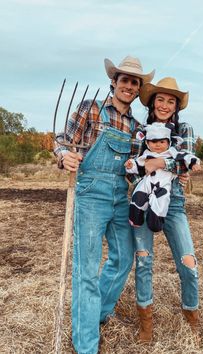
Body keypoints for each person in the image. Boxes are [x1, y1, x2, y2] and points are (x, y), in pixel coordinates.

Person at [54, 56, 155, 354]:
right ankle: (86, 344)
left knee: (123, 258)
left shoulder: (137, 127)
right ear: (114, 81)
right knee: (86, 269)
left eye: (134, 82)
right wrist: (64, 156)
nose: (128, 85)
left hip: (120, 195)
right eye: (124, 79)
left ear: (138, 89)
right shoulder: (91, 108)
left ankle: (92, 313)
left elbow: (138, 166)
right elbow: (63, 139)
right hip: (90, 192)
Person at [129, 77, 201, 343]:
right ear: (151, 102)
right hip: (144, 202)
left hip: (175, 205)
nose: (165, 104)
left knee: (188, 263)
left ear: (176, 106)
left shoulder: (185, 129)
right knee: (144, 261)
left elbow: (187, 164)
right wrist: (145, 181)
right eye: (160, 99)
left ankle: (192, 319)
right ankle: (146, 324)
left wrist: (158, 161)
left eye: (171, 101)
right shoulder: (141, 131)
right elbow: (134, 168)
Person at [125, 122, 200, 232]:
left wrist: (193, 163)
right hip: (146, 182)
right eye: (154, 142)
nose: (158, 145)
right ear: (147, 142)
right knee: (137, 196)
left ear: (169, 142)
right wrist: (131, 165)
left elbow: (186, 157)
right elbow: (138, 165)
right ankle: (135, 219)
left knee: (161, 202)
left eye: (162, 142)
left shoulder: (171, 153)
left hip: (163, 185)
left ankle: (155, 222)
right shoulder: (146, 154)